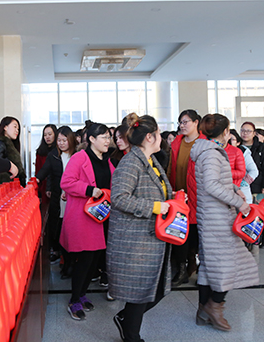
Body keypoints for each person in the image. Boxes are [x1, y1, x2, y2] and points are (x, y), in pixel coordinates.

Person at [190, 114, 258, 332]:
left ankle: (203, 310)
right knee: (229, 264)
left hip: (212, 215)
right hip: (216, 217)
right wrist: (239, 202)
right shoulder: (211, 153)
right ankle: (214, 306)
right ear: (225, 131)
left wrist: (235, 188)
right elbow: (211, 185)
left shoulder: (209, 150)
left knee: (210, 265)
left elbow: (218, 181)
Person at [108, 114, 172, 342]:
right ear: (149, 137)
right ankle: (131, 334)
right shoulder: (130, 162)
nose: (160, 139)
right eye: (157, 135)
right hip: (136, 240)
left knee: (155, 289)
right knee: (141, 292)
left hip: (152, 237)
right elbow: (119, 198)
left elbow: (160, 191)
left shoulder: (151, 161)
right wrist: (155, 206)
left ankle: (125, 320)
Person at [60, 122, 115, 321]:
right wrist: (89, 190)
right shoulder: (80, 158)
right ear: (91, 139)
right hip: (83, 216)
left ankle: (82, 295)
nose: (108, 140)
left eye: (109, 137)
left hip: (100, 216)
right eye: (104, 137)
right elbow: (66, 182)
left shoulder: (106, 160)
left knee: (94, 260)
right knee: (84, 260)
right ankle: (74, 300)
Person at [167, 109, 206, 286]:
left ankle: (200, 269)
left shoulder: (205, 143)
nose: (182, 125)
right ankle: (182, 270)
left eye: (186, 122)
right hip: (179, 196)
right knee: (180, 235)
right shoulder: (177, 142)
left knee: (198, 237)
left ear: (196, 122)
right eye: (180, 122)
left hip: (199, 197)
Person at [36, 126, 76, 273]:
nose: (61, 143)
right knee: (59, 225)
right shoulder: (53, 155)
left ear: (70, 140)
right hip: (58, 196)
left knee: (73, 226)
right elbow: (45, 171)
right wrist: (36, 181)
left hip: (75, 197)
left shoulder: (78, 154)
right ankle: (62, 257)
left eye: (64, 140)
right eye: (59, 140)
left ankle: (71, 259)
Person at [240, 123, 264, 249]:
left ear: (254, 133)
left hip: (259, 186)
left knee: (261, 212)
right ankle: (249, 237)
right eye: (243, 130)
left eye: (248, 131)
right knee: (247, 213)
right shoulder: (238, 147)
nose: (245, 133)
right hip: (243, 187)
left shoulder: (262, 148)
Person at [0, 116, 26, 187]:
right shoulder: (0, 142)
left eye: (18, 129)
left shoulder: (10, 144)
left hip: (11, 184)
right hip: (5, 185)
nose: (17, 130)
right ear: (5, 127)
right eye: (15, 127)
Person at [229, 129, 258, 204]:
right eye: (228, 139)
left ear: (238, 142)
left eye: (232, 139)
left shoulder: (243, 153)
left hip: (242, 191)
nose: (229, 142)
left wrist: (243, 183)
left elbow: (254, 171)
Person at [36, 124, 57, 208]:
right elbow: (38, 170)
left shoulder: (58, 151)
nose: (47, 137)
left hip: (55, 185)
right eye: (45, 135)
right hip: (43, 186)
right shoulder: (40, 151)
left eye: (50, 134)